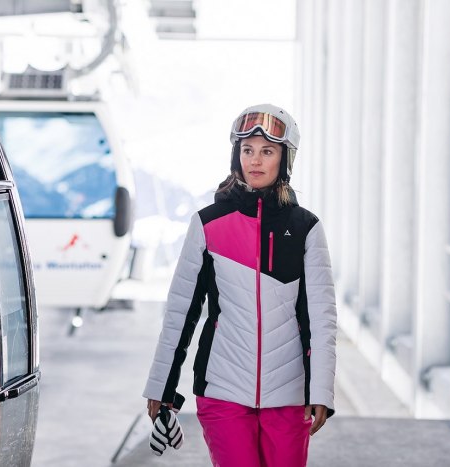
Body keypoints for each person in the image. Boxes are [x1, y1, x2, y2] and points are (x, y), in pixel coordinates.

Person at [143, 103, 337, 467]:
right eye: (247, 150)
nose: (255, 160)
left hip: (289, 394)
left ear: (285, 159)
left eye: (267, 151)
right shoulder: (208, 223)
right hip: (222, 389)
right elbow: (181, 311)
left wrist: (321, 390)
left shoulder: (307, 228)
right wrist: (162, 386)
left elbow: (321, 319)